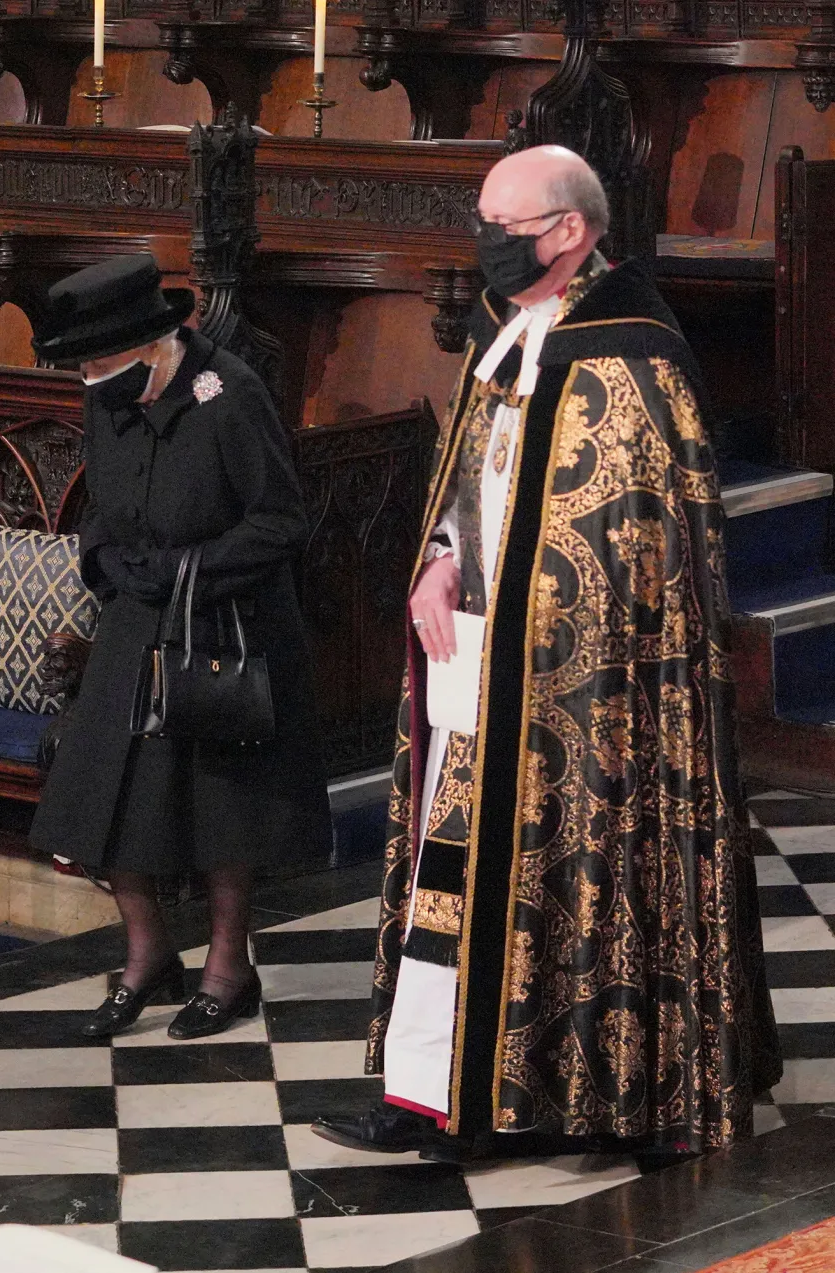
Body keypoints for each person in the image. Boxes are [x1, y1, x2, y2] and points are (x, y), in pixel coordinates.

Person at [312, 146, 782, 1160]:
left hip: (588, 695)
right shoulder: (501, 330)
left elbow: (648, 548)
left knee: (577, 882)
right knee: (450, 879)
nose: (485, 243)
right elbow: (476, 479)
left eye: (505, 225)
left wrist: (558, 629)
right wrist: (442, 559)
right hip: (479, 669)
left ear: (570, 230)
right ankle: (432, 1093)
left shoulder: (635, 354)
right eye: (482, 220)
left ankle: (596, 1095)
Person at [30, 254, 331, 1040]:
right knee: (100, 794)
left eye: (98, 362)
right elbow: (100, 504)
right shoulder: (109, 395)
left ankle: (228, 969)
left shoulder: (232, 396)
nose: (89, 379)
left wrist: (187, 566)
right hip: (137, 614)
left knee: (220, 807)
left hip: (225, 623)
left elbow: (281, 522)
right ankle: (148, 955)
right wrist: (105, 558)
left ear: (148, 345)